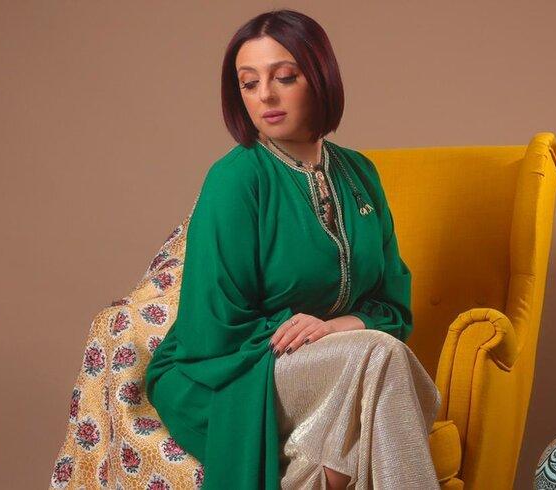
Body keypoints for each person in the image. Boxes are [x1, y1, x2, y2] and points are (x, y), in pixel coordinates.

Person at [49, 8, 441, 490]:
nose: (265, 96)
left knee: (378, 363)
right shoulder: (235, 179)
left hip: (341, 363)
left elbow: (393, 307)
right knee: (381, 360)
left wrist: (333, 328)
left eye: (285, 77)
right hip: (227, 372)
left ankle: (320, 479)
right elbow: (214, 329)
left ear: (320, 78)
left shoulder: (359, 173)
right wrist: (312, 336)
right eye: (249, 83)